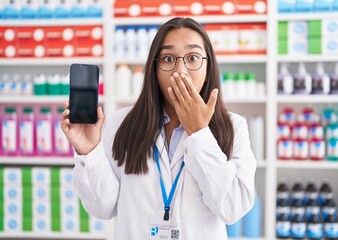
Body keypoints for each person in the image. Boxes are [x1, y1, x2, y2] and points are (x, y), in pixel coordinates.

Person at [61, 17, 257, 240]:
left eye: (192, 58)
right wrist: (89, 152)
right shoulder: (120, 124)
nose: (180, 70)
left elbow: (233, 208)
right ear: (154, 69)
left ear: (208, 67)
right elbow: (102, 208)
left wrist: (200, 133)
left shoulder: (233, 126)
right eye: (168, 58)